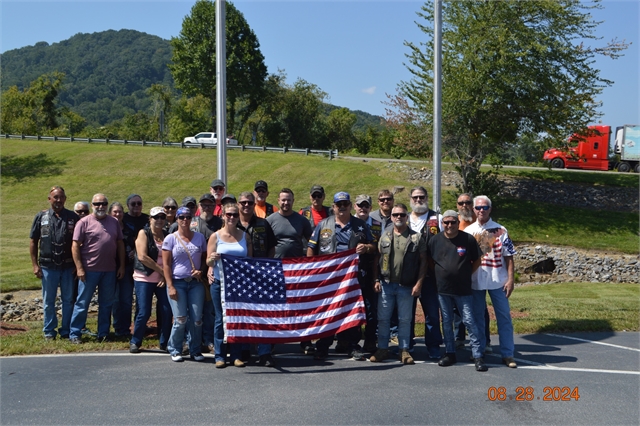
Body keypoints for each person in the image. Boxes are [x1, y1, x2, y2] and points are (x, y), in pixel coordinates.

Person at [308, 192, 375, 361]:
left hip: (353, 277)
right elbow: (311, 248)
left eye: (345, 204)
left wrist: (366, 247)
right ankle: (323, 345)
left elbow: (374, 247)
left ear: (351, 205)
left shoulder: (360, 225)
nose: (342, 207)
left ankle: (352, 345)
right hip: (329, 278)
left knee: (351, 311)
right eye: (339, 204)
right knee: (327, 311)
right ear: (333, 207)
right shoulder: (323, 224)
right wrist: (312, 271)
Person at [427, 210, 487, 372]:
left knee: (469, 320)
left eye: (453, 222)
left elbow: (477, 260)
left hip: (463, 289)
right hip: (443, 290)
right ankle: (450, 353)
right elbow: (431, 262)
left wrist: (465, 274)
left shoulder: (467, 239)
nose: (449, 225)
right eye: (446, 222)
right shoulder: (435, 240)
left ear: (457, 222)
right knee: (447, 322)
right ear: (442, 224)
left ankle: (478, 355)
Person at [370, 203, 427, 365]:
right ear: (392, 217)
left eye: (402, 215)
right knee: (383, 319)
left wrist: (419, 284)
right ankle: (382, 349)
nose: (399, 218)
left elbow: (423, 263)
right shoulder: (385, 235)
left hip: (406, 286)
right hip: (386, 284)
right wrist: (375, 279)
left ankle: (404, 350)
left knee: (404, 319)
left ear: (407, 217)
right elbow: (377, 259)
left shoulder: (416, 237)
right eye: (395, 215)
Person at [466, 195, 518, 369]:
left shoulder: (500, 230)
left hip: (498, 280)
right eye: (478, 208)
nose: (481, 210)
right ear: (474, 210)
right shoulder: (468, 231)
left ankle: (508, 353)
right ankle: (478, 353)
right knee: (477, 318)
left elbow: (509, 257)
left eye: (485, 207)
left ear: (490, 209)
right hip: (475, 281)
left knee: (504, 317)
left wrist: (511, 280)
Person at [69, 193, 125, 343]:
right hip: (89, 270)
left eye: (104, 203)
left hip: (110, 270)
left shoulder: (113, 222)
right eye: (97, 204)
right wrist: (79, 268)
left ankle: (103, 333)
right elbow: (75, 246)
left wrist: (122, 265)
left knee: (106, 304)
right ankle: (75, 333)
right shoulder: (84, 222)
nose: (100, 206)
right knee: (82, 303)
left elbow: (120, 244)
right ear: (92, 205)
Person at [267, 188, 314, 354]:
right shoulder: (270, 220)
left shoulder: (301, 221)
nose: (286, 203)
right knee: (275, 308)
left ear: (293, 201)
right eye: (283, 200)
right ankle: (271, 340)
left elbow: (312, 242)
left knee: (300, 307)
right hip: (275, 270)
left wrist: (309, 262)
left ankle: (305, 341)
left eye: (289, 200)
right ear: (278, 201)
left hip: (296, 270)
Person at [207, 202, 253, 368]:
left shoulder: (245, 236)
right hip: (220, 283)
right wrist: (212, 259)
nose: (232, 217)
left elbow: (250, 262)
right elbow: (208, 261)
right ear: (223, 216)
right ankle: (220, 355)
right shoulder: (215, 236)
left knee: (237, 319)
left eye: (235, 214)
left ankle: (236, 355)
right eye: (229, 214)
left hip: (238, 285)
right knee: (220, 319)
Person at [30, 186, 80, 340]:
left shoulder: (73, 217)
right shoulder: (41, 217)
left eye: (61, 197)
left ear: (65, 198)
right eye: (55, 197)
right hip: (47, 267)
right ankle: (49, 331)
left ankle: (65, 330)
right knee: (48, 301)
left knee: (68, 300)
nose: (58, 200)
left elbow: (79, 243)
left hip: (68, 266)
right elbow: (33, 241)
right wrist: (35, 265)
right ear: (49, 199)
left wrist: (78, 265)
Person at [162, 207, 208, 362]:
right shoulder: (170, 238)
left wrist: (201, 270)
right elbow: (166, 265)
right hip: (178, 282)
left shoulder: (200, 237)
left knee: (196, 319)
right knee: (180, 318)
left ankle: (195, 349)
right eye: (181, 217)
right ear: (177, 219)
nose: (185, 220)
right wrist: (170, 286)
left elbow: (204, 259)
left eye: (188, 217)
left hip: (195, 283)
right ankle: (175, 348)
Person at [237, 191, 277, 365]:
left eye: (249, 203)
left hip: (260, 275)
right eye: (243, 203)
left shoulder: (263, 223)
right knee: (243, 312)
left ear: (254, 205)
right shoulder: (231, 224)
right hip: (238, 277)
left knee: (263, 313)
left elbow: (272, 247)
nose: (246, 206)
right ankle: (244, 349)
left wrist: (267, 267)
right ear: (238, 204)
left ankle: (264, 352)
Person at [407, 186, 443, 359]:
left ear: (427, 198)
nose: (418, 200)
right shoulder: (403, 218)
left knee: (432, 313)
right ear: (410, 199)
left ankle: (434, 346)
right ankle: (407, 345)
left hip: (430, 275)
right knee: (407, 313)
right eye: (415, 197)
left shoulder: (437, 219)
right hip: (407, 275)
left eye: (421, 197)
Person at [130, 207, 172, 353]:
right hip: (144, 277)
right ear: (150, 219)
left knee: (166, 311)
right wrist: (162, 272)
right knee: (144, 311)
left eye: (162, 217)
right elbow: (143, 257)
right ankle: (136, 341)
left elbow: (171, 258)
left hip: (163, 279)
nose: (159, 220)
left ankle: (165, 342)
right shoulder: (144, 233)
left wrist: (165, 276)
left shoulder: (168, 235)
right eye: (156, 217)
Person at [453, 192, 491, 351]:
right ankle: (459, 338)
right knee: (457, 307)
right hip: (460, 271)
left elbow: (486, 250)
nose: (464, 206)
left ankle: (485, 340)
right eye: (461, 203)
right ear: (457, 206)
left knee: (479, 308)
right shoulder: (454, 223)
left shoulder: (480, 224)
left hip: (479, 272)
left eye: (468, 203)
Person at [191, 193, 223, 354]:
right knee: (194, 310)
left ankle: (209, 339)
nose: (207, 207)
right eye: (204, 204)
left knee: (210, 310)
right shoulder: (192, 223)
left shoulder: (219, 223)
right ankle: (193, 340)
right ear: (199, 206)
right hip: (194, 272)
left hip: (212, 272)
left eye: (210, 204)